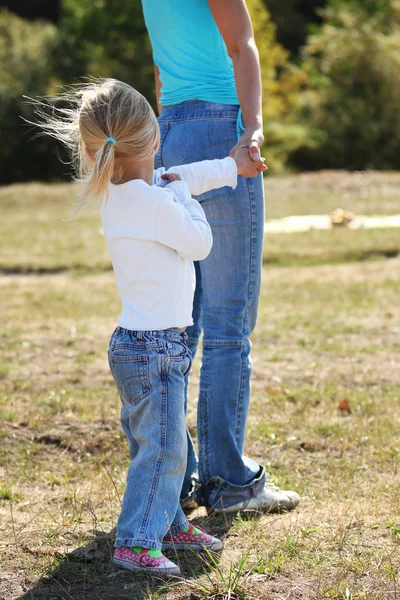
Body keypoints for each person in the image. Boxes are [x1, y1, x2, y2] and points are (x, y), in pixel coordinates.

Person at [31, 78, 266, 574]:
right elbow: (199, 242)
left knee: (162, 442)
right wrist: (188, 201)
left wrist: (229, 168)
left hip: (137, 346)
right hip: (158, 348)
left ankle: (166, 522)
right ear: (154, 139)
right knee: (162, 447)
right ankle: (137, 540)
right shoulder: (161, 203)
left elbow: (185, 175)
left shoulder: (124, 195)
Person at [141, 0, 301, 513]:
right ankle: (229, 482)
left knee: (180, 322)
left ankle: (177, 476)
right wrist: (252, 127)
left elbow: (163, 74)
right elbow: (242, 45)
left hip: (170, 133)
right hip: (219, 130)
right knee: (230, 321)